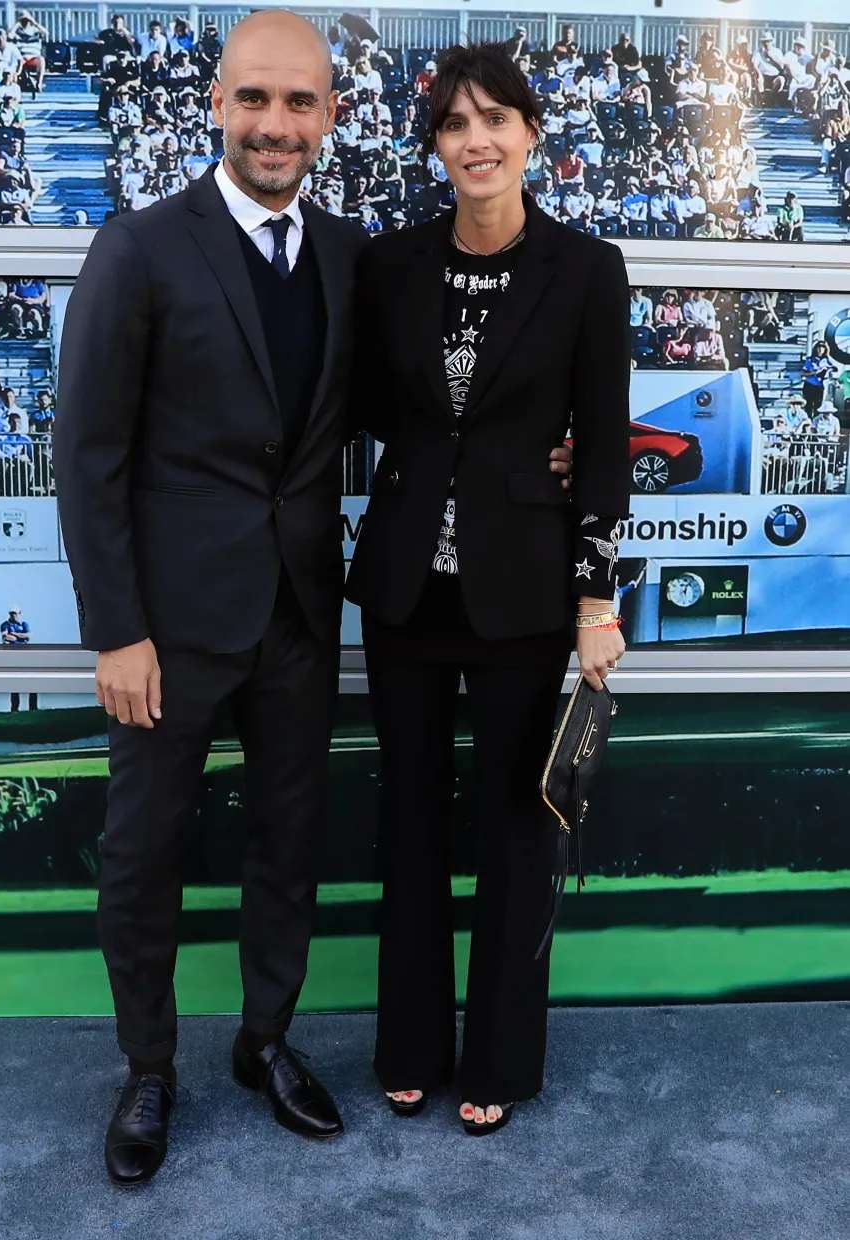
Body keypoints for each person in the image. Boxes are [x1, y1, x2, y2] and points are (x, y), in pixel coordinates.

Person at [55, 10, 581, 1185]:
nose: (275, 123)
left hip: (300, 614)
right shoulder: (139, 248)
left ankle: (264, 1040)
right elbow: (85, 455)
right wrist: (117, 630)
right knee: (142, 854)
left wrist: (544, 448)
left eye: (299, 101)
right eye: (254, 98)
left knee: (288, 843)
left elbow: (424, 408)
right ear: (216, 104)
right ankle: (148, 1068)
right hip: (169, 631)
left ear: (331, 115)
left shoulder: (355, 258)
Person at [344, 42, 629, 1137]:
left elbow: (603, 445)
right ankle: (410, 1046)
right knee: (409, 820)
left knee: (516, 828)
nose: (477, 141)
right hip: (405, 592)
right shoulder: (391, 266)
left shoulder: (586, 268)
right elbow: (374, 406)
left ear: (531, 135)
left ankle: (499, 1059)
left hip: (525, 594)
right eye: (456, 123)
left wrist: (595, 600)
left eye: (496, 119)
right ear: (434, 145)